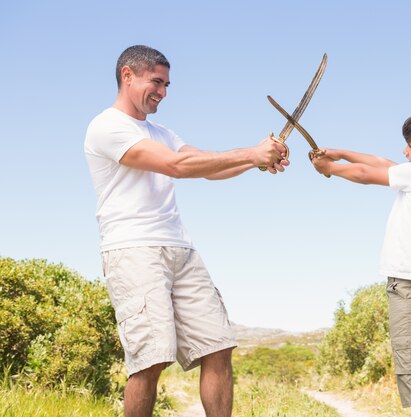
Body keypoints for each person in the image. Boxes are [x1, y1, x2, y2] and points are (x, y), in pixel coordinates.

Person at [84, 45, 289, 417]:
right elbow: (177, 166)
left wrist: (259, 161)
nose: (163, 92)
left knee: (218, 347)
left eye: (167, 84)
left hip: (181, 250)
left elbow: (208, 168)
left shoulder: (162, 132)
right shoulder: (106, 127)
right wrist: (251, 153)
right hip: (134, 251)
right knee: (151, 359)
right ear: (128, 75)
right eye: (156, 82)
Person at [310, 101, 411, 417]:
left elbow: (368, 173)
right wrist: (340, 153)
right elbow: (380, 162)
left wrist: (331, 169)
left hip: (410, 286)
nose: (405, 152)